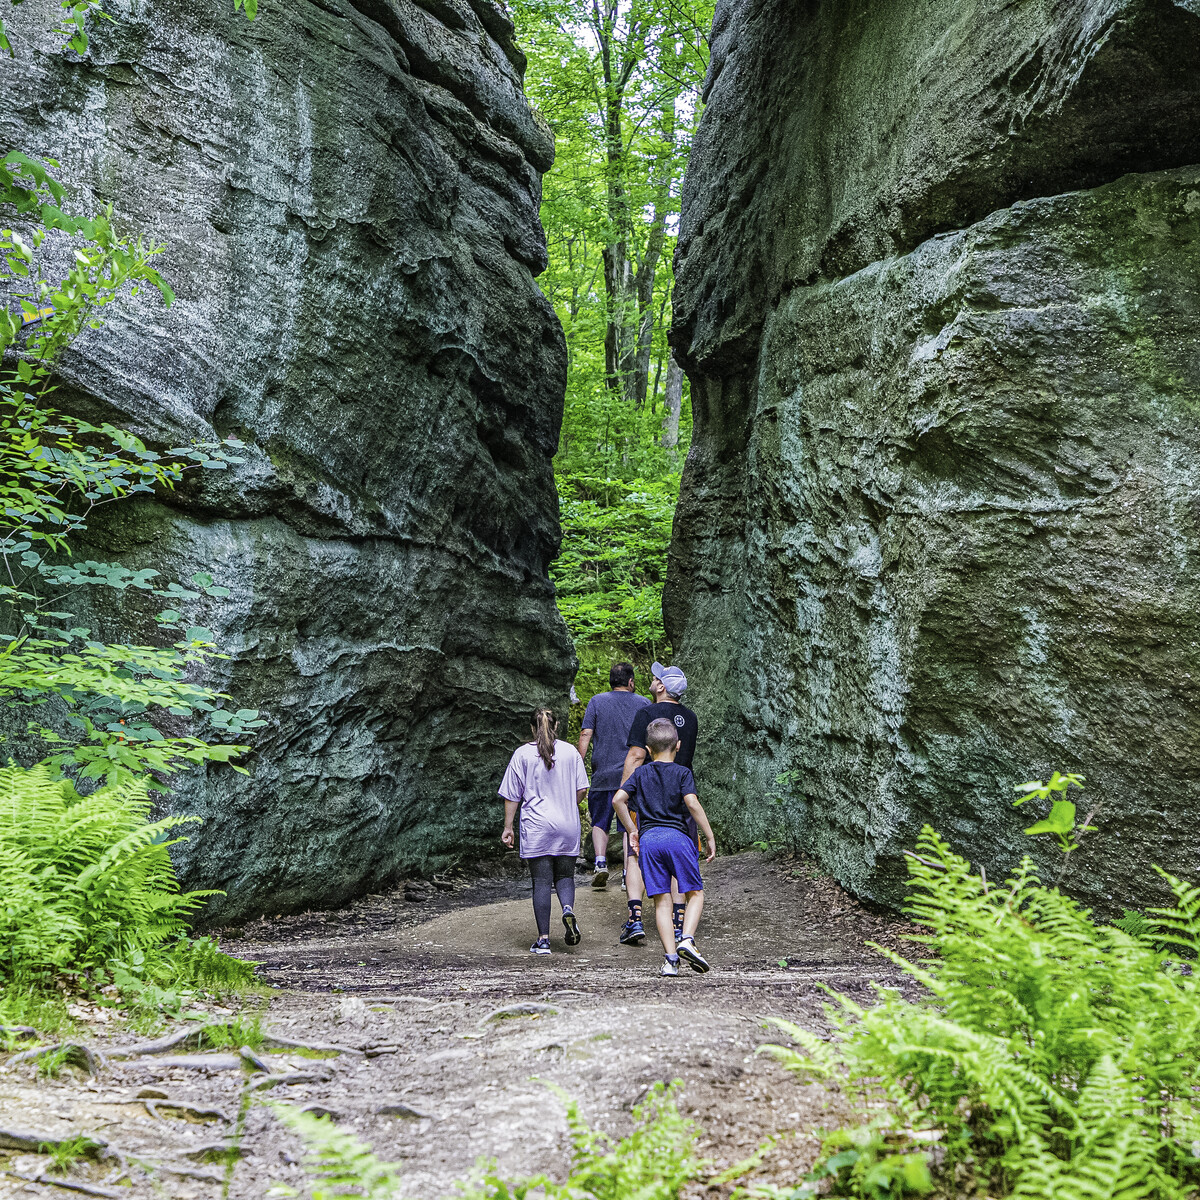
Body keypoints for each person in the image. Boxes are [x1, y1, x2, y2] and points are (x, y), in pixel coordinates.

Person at [614, 717, 716, 976]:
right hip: (678, 839)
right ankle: (688, 940)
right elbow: (691, 803)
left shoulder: (640, 773)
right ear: (678, 745)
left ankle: (671, 961)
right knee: (695, 893)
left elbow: (618, 800)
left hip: (649, 841)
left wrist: (632, 830)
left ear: (648, 750)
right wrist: (709, 836)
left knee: (661, 902)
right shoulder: (683, 773)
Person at [617, 662, 699, 946]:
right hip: (681, 794)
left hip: (648, 796)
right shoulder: (690, 718)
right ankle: (679, 923)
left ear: (661, 686)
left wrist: (626, 794)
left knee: (635, 852)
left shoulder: (647, 714)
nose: (650, 681)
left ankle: (635, 918)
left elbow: (637, 756)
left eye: (654, 678)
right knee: (680, 854)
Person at [498, 707, 589, 955]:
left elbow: (512, 795)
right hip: (568, 824)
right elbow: (582, 790)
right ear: (556, 726)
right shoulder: (570, 752)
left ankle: (544, 940)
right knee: (565, 877)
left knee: (541, 881)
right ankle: (567, 909)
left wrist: (508, 827)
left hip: (537, 826)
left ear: (531, 728)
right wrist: (567, 802)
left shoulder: (522, 754)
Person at [577, 661, 650, 890]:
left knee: (599, 821)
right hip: (632, 777)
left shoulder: (597, 701)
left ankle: (600, 863)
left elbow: (586, 734)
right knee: (628, 826)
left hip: (603, 774)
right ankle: (628, 873)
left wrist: (578, 768)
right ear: (630, 682)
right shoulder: (644, 704)